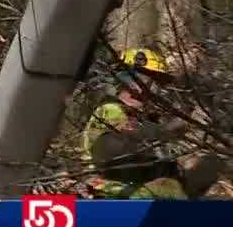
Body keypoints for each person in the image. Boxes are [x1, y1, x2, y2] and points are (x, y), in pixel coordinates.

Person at [82, 47, 221, 199]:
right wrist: (171, 128)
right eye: (152, 80)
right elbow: (126, 146)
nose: (155, 88)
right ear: (130, 79)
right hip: (114, 194)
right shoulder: (110, 110)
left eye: (157, 83)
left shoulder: (142, 118)